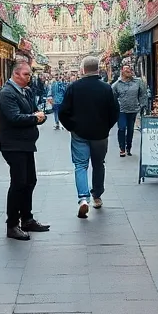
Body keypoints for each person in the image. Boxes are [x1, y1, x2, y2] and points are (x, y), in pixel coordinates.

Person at [58, 55, 119, 217]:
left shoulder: (74, 87)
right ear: (98, 69)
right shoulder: (106, 88)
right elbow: (115, 112)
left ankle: (83, 198)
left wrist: (72, 127)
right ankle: (97, 196)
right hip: (100, 134)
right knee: (98, 164)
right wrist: (106, 127)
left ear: (83, 70)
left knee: (80, 165)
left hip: (79, 133)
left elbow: (63, 112)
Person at [0, 58, 50, 240]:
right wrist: (35, 118)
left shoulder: (25, 91)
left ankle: (27, 218)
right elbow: (14, 117)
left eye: (29, 74)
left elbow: (33, 111)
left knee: (30, 180)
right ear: (16, 74)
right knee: (19, 183)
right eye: (26, 74)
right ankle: (12, 224)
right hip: (13, 145)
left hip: (26, 144)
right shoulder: (7, 93)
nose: (29, 77)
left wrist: (39, 117)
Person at [112, 65, 148, 157]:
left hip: (133, 109)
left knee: (130, 129)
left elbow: (143, 94)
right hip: (121, 110)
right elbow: (113, 97)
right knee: (122, 128)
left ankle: (129, 147)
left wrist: (142, 105)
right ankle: (122, 149)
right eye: (126, 69)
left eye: (130, 69)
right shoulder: (117, 84)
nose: (128, 71)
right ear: (122, 71)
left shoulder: (138, 82)